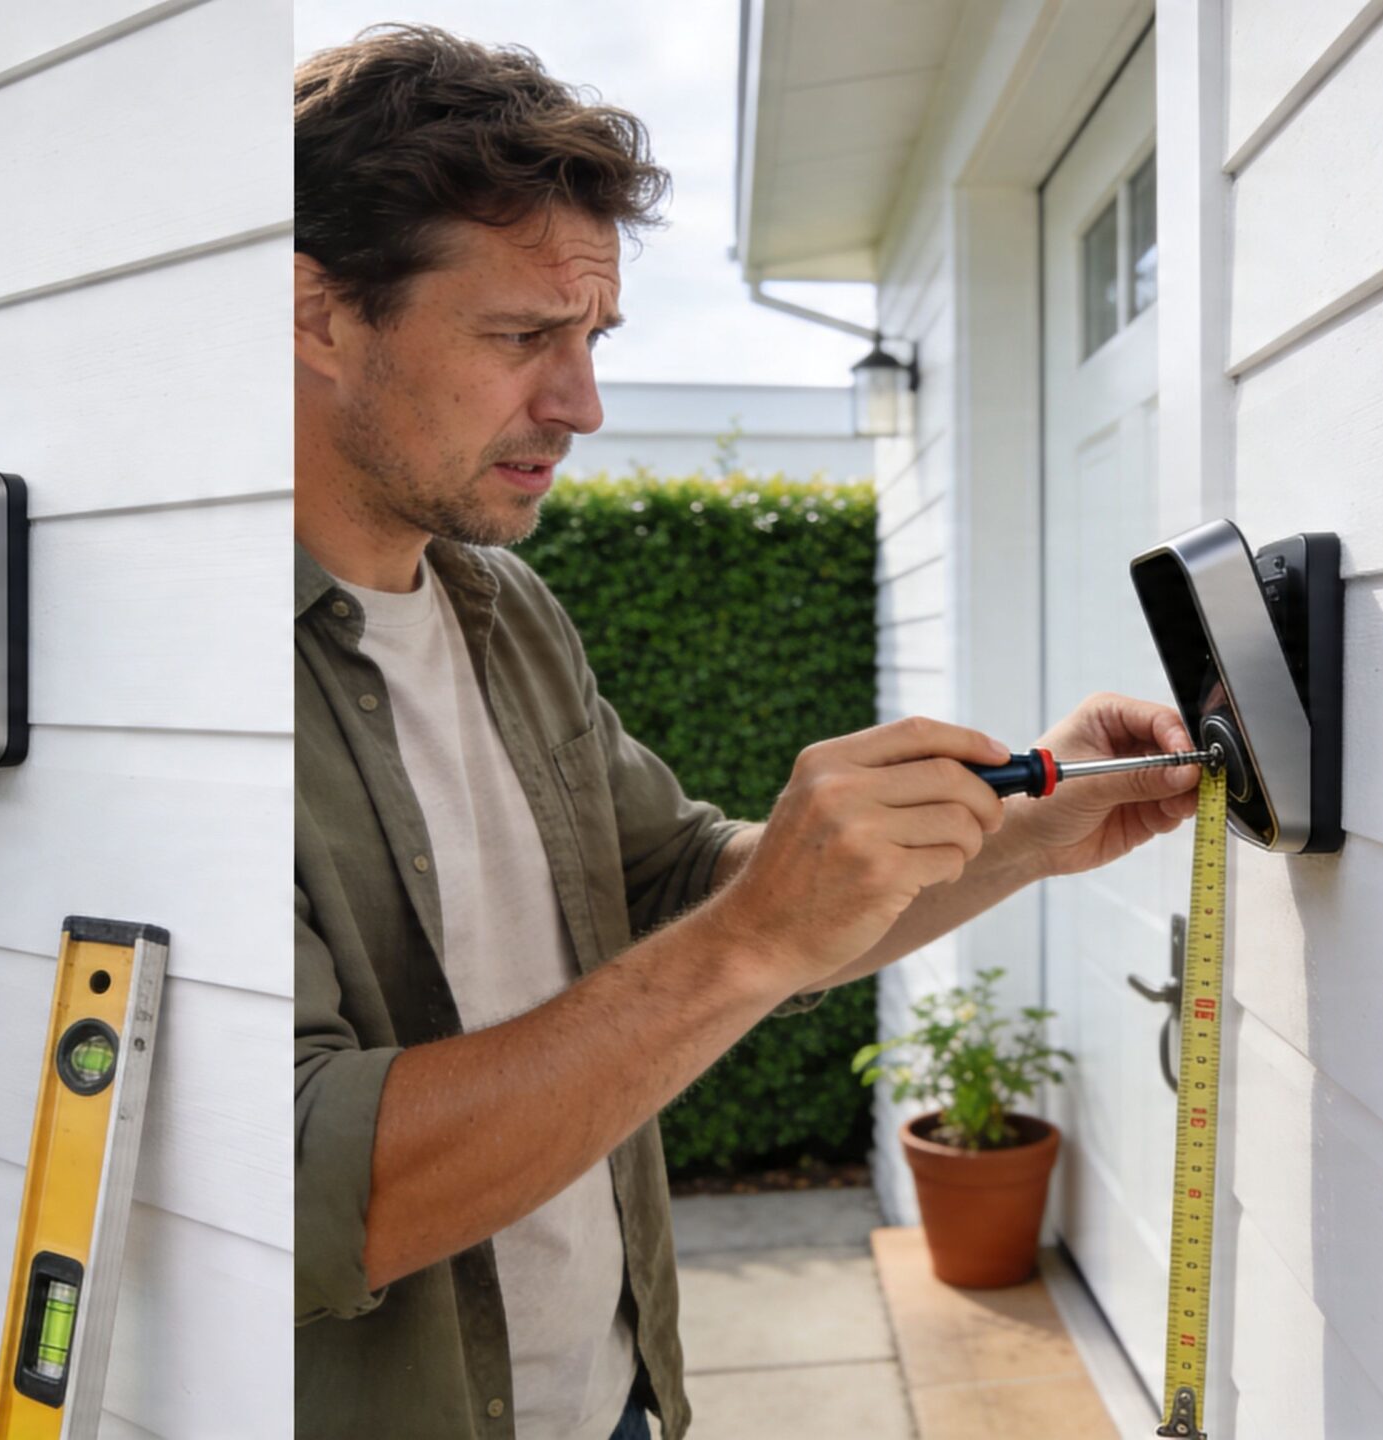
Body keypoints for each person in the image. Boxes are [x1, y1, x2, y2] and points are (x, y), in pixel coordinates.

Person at [290, 27, 1206, 1440]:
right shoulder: (194, 690)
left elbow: (681, 891)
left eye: (590, 341)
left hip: (617, 1401)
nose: (581, 405)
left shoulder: (506, 613)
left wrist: (1019, 834)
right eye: (524, 336)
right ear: (320, 315)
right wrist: (754, 939)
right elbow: (313, 1190)